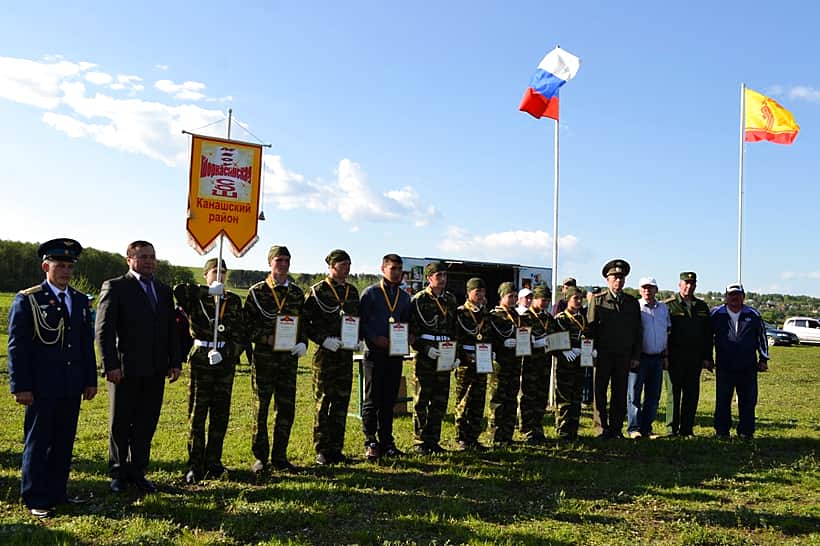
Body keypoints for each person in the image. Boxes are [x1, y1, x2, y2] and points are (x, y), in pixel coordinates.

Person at [7, 239, 97, 518]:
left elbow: (85, 344)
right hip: (41, 385)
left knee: (63, 441)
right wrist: (20, 386)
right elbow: (17, 346)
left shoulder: (79, 300)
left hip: (71, 383)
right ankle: (35, 496)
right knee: (38, 441)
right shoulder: (29, 299)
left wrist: (90, 379)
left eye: (70, 266)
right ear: (46, 267)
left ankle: (58, 492)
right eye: (60, 266)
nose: (66, 271)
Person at [96, 240, 182, 493]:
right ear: (129, 260)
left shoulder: (163, 291)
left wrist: (175, 361)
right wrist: (110, 365)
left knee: (146, 422)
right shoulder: (116, 287)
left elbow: (171, 329)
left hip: (155, 369)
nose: (149, 261)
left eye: (152, 256)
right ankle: (118, 473)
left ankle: (138, 471)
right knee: (121, 422)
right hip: (125, 370)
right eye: (143, 256)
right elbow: (104, 330)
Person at [174, 258, 245, 483]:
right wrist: (208, 290)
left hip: (224, 359)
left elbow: (240, 333)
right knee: (197, 412)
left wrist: (228, 353)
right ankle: (195, 464)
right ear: (206, 274)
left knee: (220, 413)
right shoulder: (196, 297)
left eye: (223, 272)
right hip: (201, 358)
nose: (220, 275)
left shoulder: (233, 300)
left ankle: (214, 461)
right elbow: (178, 290)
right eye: (215, 271)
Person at [243, 245, 307, 473]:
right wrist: (265, 338)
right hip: (264, 359)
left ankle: (280, 457)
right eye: (279, 260)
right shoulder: (257, 292)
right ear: (270, 263)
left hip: (288, 360)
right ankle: (260, 457)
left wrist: (303, 342)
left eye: (287, 260)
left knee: (286, 408)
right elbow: (246, 326)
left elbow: (303, 323)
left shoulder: (297, 293)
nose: (283, 264)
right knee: (261, 408)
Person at [303, 249, 361, 465]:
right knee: (323, 402)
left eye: (349, 264)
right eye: (343, 264)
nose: (347, 268)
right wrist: (322, 339)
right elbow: (305, 323)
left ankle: (336, 448)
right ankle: (322, 449)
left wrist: (358, 339)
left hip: (345, 354)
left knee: (341, 401)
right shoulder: (317, 291)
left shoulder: (352, 292)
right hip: (325, 355)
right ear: (331, 266)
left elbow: (356, 319)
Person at [359, 254, 413, 460]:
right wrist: (374, 338)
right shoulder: (371, 293)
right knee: (372, 399)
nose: (397, 272)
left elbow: (408, 322)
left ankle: (387, 442)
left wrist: (409, 336)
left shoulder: (405, 297)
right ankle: (371, 441)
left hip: (395, 354)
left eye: (400, 269)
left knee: (389, 400)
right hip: (374, 353)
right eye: (393, 268)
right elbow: (362, 322)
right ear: (383, 269)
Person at [587, 259, 641, 439]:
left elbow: (637, 331)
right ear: (607, 280)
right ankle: (601, 428)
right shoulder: (598, 300)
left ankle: (616, 429)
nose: (618, 281)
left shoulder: (631, 302)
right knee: (600, 393)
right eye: (615, 277)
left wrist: (635, 356)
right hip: (602, 355)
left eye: (621, 278)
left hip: (623, 355)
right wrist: (591, 352)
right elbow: (590, 329)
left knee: (620, 393)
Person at [409, 262, 457, 454]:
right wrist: (424, 348)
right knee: (422, 398)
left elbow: (454, 329)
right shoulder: (419, 300)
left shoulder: (450, 299)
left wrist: (455, 353)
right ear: (429, 278)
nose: (443, 279)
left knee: (440, 398)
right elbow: (412, 331)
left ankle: (433, 440)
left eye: (444, 275)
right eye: (438, 275)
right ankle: (420, 441)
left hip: (445, 351)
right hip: (426, 354)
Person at [711, 283, 769, 439]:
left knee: (748, 400)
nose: (734, 297)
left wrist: (763, 359)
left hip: (747, 366)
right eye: (731, 294)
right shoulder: (716, 314)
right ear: (726, 297)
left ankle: (746, 431)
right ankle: (722, 431)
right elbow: (707, 338)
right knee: (723, 400)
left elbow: (761, 337)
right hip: (724, 365)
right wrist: (707, 358)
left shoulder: (753, 315)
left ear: (743, 296)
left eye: (737, 294)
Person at [663, 272, 713, 436]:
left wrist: (707, 357)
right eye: (686, 283)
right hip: (674, 358)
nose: (689, 286)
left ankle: (687, 428)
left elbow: (707, 335)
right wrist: (665, 356)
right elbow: (664, 333)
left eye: (692, 283)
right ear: (680, 284)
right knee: (673, 394)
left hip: (694, 358)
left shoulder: (702, 306)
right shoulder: (669, 305)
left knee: (691, 394)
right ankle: (671, 428)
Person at [626, 277, 670, 439]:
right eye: (644, 288)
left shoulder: (663, 308)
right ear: (639, 290)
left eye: (650, 288)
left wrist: (666, 355)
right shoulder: (635, 307)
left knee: (653, 396)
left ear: (656, 290)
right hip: (639, 358)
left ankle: (647, 428)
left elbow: (667, 332)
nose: (647, 290)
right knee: (634, 395)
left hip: (657, 358)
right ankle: (634, 428)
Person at [453, 277, 493, 451]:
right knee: (464, 400)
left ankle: (474, 437)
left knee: (478, 400)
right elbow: (455, 337)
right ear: (469, 293)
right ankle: (462, 438)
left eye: (483, 291)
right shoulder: (460, 313)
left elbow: (489, 336)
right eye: (477, 292)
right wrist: (463, 355)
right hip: (466, 363)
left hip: (482, 361)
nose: (481, 295)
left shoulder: (485, 314)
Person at [518, 285, 556, 445]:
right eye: (542, 300)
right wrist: (535, 343)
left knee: (541, 397)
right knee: (529, 397)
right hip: (530, 363)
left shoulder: (549, 318)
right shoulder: (525, 317)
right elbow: (521, 340)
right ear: (534, 299)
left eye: (547, 300)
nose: (545, 303)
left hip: (545, 363)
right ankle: (527, 429)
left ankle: (538, 428)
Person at [488, 281, 523, 446]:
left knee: (511, 398)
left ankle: (507, 435)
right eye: (510, 296)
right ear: (502, 297)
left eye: (515, 296)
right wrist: (501, 344)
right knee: (498, 399)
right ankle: (495, 436)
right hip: (500, 363)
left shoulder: (516, 315)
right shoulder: (494, 316)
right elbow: (488, 337)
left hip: (515, 362)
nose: (513, 299)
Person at [553, 286, 591, 440]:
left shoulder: (582, 318)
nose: (579, 301)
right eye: (575, 298)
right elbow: (555, 340)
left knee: (576, 398)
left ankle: (573, 431)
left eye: (581, 298)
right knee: (564, 399)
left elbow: (587, 336)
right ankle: (563, 431)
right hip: (565, 365)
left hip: (580, 362)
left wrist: (590, 349)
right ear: (567, 299)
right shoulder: (561, 318)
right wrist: (564, 350)